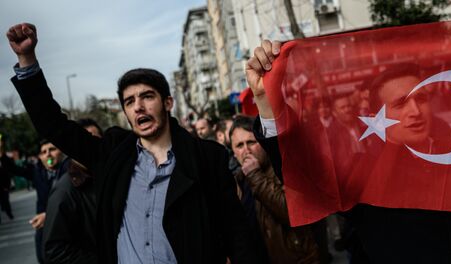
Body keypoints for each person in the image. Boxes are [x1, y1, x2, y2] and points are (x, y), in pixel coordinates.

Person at [245, 15, 451, 262]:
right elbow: (302, 171)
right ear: (375, 116)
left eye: (420, 98)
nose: (414, 111)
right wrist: (267, 101)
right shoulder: (359, 171)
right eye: (398, 104)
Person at [7, 23, 263, 263]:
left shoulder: (207, 158)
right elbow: (54, 126)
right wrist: (27, 60)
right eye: (129, 102)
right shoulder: (113, 153)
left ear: (167, 103)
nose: (138, 106)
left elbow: (236, 234)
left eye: (147, 96)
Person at [230, 116, 322, 263]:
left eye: (251, 142)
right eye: (239, 146)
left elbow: (292, 213)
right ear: (233, 151)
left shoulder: (282, 169)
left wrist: (255, 176)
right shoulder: (237, 182)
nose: (246, 150)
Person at [42, 119, 102, 264]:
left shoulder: (110, 176)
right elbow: (54, 251)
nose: (90, 146)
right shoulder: (64, 191)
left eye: (95, 140)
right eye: (84, 140)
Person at [31, 140, 70, 264]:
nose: (48, 155)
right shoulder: (38, 172)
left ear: (60, 152)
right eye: (44, 152)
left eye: (52, 150)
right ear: (40, 157)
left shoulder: (70, 170)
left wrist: (47, 216)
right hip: (44, 230)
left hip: (66, 231)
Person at [0, 133, 31, 223]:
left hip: (4, 186)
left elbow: (11, 169)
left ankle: (9, 214)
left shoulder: (5, 160)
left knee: (6, 202)